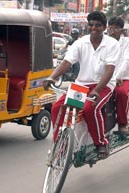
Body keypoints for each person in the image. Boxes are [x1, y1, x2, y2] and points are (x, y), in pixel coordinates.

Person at [43, 11, 120, 159]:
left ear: (104, 27)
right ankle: (60, 145)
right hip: (81, 86)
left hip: (103, 85)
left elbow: (110, 70)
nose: (94, 28)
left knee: (89, 108)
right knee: (57, 107)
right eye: (91, 25)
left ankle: (100, 143)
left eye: (98, 25)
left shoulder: (112, 44)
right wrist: (52, 77)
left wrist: (97, 90)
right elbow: (67, 62)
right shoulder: (80, 42)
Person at [107, 16, 129, 134]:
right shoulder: (105, 42)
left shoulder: (127, 42)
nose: (112, 32)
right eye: (110, 29)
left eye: (115, 29)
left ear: (121, 30)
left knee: (121, 93)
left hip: (124, 78)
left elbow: (126, 60)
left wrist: (117, 76)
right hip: (108, 77)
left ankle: (122, 123)